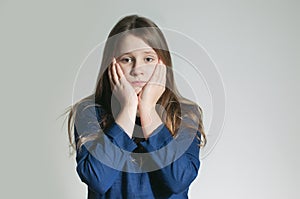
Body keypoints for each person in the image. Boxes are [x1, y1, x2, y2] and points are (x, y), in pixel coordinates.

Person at [65, 14, 207, 199]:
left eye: (148, 59)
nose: (137, 69)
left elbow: (178, 180)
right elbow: (97, 179)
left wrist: (148, 111)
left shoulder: (185, 115)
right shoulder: (89, 112)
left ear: (162, 63)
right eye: (126, 60)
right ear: (111, 64)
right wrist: (128, 109)